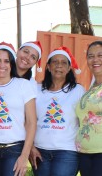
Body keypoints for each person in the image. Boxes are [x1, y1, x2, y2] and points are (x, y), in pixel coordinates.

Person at [0, 42, 37, 176]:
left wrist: (24, 156)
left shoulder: (24, 85)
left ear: (11, 64)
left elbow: (31, 123)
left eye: (6, 61)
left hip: (14, 151)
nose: (2, 65)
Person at [29, 46, 85, 176]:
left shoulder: (78, 90)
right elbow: (28, 120)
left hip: (67, 151)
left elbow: (84, 120)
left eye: (63, 62)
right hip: (40, 150)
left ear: (69, 68)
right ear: (48, 67)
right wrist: (31, 147)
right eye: (55, 62)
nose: (59, 65)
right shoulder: (36, 90)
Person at [76, 41, 102, 176]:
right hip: (85, 153)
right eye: (91, 56)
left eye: (100, 55)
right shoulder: (90, 89)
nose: (95, 59)